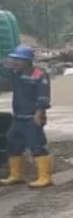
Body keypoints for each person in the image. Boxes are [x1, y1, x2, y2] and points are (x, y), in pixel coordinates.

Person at [1, 45, 54, 188]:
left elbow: (44, 96)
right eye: (14, 59)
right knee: (12, 143)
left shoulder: (38, 74)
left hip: (32, 117)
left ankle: (45, 177)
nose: (15, 62)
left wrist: (40, 113)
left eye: (19, 59)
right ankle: (15, 175)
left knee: (37, 145)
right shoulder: (15, 73)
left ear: (28, 61)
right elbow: (4, 69)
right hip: (18, 117)